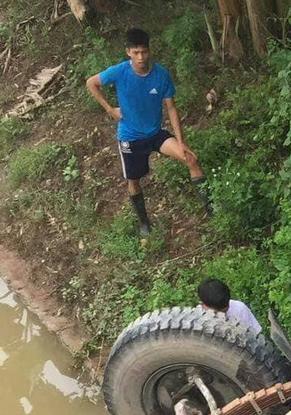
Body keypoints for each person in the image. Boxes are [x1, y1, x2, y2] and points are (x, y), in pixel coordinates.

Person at [85, 27, 209, 237]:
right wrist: (110, 109)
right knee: (133, 181)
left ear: (150, 51)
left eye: (144, 52)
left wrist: (180, 141)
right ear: (128, 52)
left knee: (190, 159)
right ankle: (144, 223)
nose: (141, 57)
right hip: (130, 138)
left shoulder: (161, 74)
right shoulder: (119, 71)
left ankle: (212, 209)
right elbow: (91, 83)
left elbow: (171, 108)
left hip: (155, 134)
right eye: (136, 53)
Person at [196, 278, 261, 333]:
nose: (222, 316)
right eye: (216, 313)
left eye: (225, 311)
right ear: (202, 305)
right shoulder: (197, 319)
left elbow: (256, 336)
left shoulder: (239, 309)